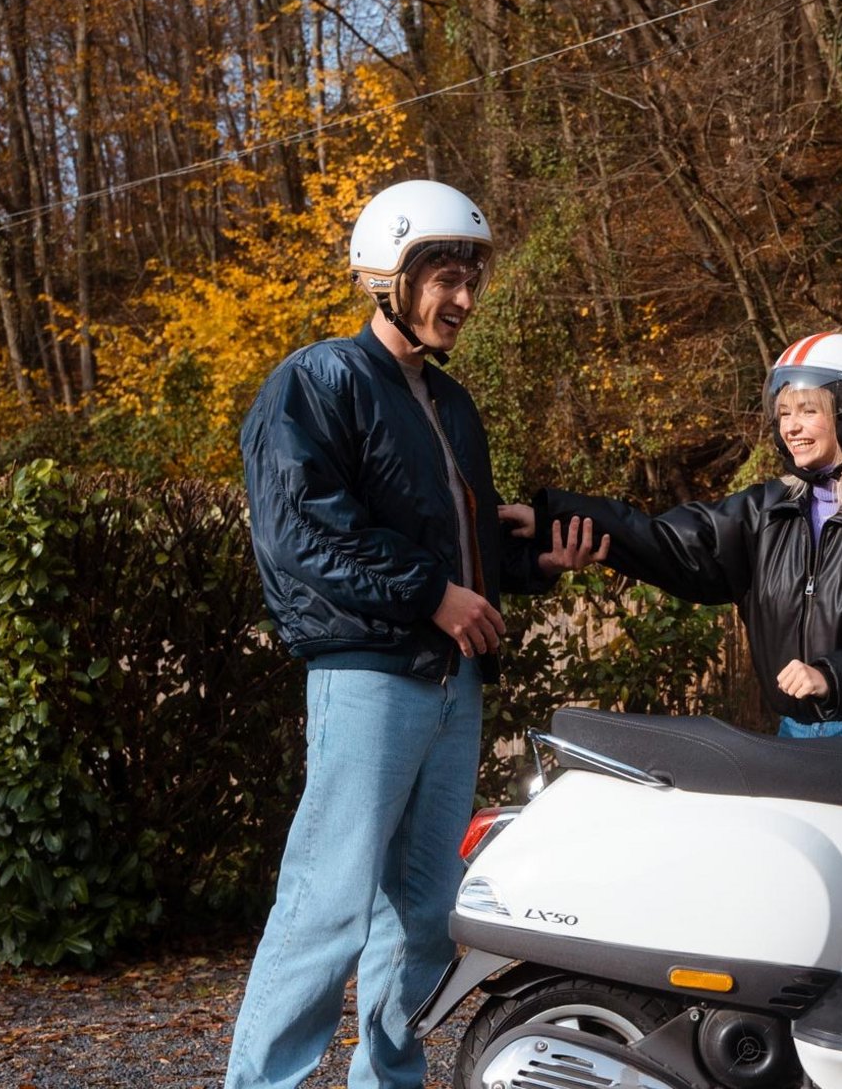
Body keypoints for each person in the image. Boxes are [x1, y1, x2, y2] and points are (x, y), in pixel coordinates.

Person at [227, 179, 604, 1089]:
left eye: (472, 278)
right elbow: (303, 529)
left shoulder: (453, 404)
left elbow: (455, 550)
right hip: (368, 680)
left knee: (426, 915)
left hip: (452, 686)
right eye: (444, 275)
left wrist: (526, 568)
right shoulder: (317, 381)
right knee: (327, 907)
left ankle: (389, 1082)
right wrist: (433, 594)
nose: (464, 299)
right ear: (388, 274)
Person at [503, 332, 842, 737]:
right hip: (793, 729)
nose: (791, 426)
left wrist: (834, 674)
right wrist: (551, 521)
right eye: (784, 412)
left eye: (808, 410)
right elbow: (665, 542)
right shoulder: (767, 511)